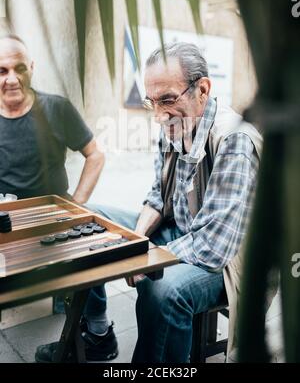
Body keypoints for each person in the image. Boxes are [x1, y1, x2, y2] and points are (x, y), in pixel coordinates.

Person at [36, 41, 262, 363]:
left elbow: (214, 247)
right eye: (151, 102)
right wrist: (137, 240)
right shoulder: (171, 125)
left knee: (163, 291)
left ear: (203, 89)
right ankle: (98, 333)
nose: (158, 115)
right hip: (181, 232)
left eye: (168, 99)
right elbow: (158, 195)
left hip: (230, 259)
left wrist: (144, 258)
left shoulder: (233, 139)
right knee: (89, 218)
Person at [0, 34, 118, 361]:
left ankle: (99, 333)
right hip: (6, 221)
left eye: (19, 68)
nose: (11, 78)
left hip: (54, 216)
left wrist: (77, 205)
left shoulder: (56, 108)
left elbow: (95, 156)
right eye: (1, 70)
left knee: (91, 247)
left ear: (31, 68)